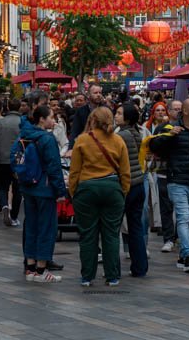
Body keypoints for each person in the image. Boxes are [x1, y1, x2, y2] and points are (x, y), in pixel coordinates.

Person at [69, 106, 131, 286]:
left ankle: (87, 276)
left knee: (88, 235)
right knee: (111, 235)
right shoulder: (118, 140)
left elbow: (74, 172)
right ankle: (112, 276)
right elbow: (125, 172)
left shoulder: (82, 140)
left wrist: (74, 192)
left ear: (92, 120)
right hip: (112, 189)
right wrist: (123, 192)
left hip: (87, 189)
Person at [148, 98, 189, 273]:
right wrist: (169, 136)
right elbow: (154, 146)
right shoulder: (170, 128)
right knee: (183, 218)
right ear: (185, 111)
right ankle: (188, 253)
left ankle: (183, 257)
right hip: (177, 180)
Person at [18, 105, 67, 283]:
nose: (53, 120)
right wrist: (60, 191)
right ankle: (41, 270)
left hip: (28, 186)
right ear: (42, 119)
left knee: (31, 226)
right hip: (45, 189)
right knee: (46, 228)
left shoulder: (24, 134)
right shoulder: (47, 139)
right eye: (51, 117)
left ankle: (30, 268)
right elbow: (54, 167)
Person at [115, 102, 148, 277]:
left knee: (114, 227)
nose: (116, 116)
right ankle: (140, 266)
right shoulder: (136, 132)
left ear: (127, 118)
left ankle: (114, 269)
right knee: (135, 227)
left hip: (126, 185)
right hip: (138, 183)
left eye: (120, 113)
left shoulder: (122, 135)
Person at [145, 99, 181, 252]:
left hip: (181, 173)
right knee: (166, 207)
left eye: (181, 108)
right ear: (170, 111)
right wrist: (168, 135)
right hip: (164, 172)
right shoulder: (160, 128)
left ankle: (179, 236)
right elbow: (154, 146)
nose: (178, 111)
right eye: (175, 109)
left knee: (182, 209)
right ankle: (168, 238)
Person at [0, 98, 24, 226]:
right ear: (20, 107)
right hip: (18, 160)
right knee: (17, 189)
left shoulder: (0, 123)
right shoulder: (23, 122)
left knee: (3, 186)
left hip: (2, 159)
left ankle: (4, 205)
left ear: (8, 107)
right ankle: (14, 216)